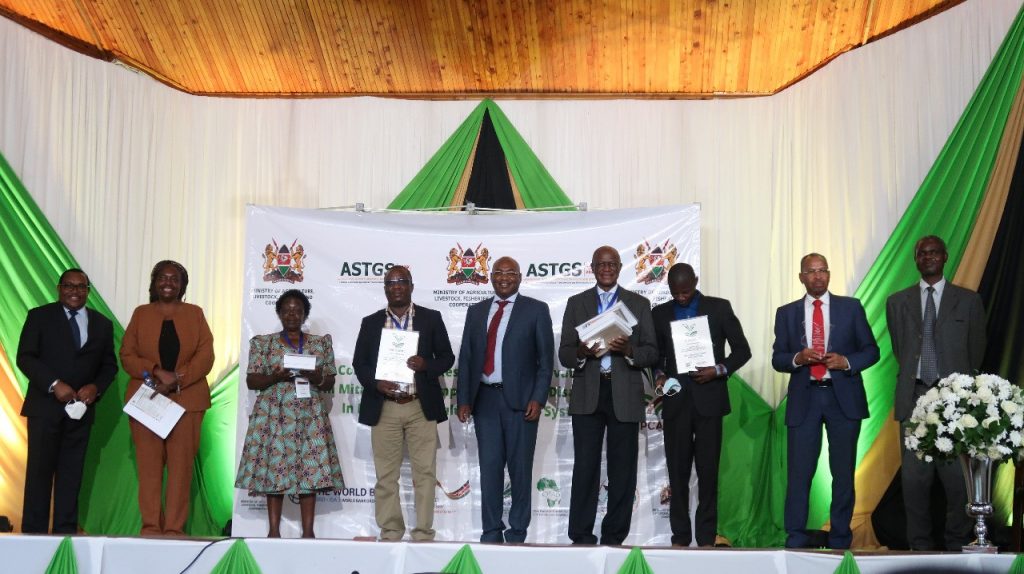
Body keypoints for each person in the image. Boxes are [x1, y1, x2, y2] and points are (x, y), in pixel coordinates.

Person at [772, 253, 879, 549]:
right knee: (799, 473)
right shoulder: (787, 313)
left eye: (823, 271)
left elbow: (871, 350)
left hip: (842, 398)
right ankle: (794, 538)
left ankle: (841, 538)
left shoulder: (851, 308)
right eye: (811, 271)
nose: (818, 276)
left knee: (843, 473)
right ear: (801, 277)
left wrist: (845, 361)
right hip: (805, 398)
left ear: (829, 275)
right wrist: (798, 357)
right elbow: (778, 358)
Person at [886, 235, 986, 550]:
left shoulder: (968, 301)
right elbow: (900, 350)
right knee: (915, 482)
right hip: (914, 399)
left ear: (945, 257)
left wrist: (955, 388)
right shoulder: (897, 302)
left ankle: (956, 543)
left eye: (934, 252)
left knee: (958, 482)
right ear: (916, 259)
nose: (928, 257)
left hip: (953, 402)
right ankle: (919, 548)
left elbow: (976, 351)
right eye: (922, 253)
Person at [557, 245, 658, 545]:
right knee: (585, 467)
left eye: (612, 264)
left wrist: (629, 351)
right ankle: (581, 535)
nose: (606, 268)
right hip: (589, 392)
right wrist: (580, 352)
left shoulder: (638, 304)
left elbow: (652, 352)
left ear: (619, 267)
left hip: (624, 393)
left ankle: (614, 536)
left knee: (622, 469)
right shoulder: (577, 303)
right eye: (601, 264)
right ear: (592, 267)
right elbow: (564, 353)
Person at [651, 263, 751, 547]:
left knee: (708, 474)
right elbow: (656, 356)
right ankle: (680, 537)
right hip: (676, 401)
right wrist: (659, 376)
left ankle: (706, 537)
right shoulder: (660, 313)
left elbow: (743, 350)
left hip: (710, 401)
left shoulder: (719, 308)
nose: (681, 297)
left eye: (685, 291)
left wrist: (718, 369)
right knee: (677, 473)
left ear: (695, 281)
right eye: (675, 292)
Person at [353, 265, 455, 541]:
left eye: (401, 281)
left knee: (424, 473)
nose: (396, 286)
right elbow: (359, 363)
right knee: (386, 476)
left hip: (420, 405)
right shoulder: (371, 322)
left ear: (411, 286)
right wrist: (375, 383)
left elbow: (447, 358)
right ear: (385, 288)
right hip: (384, 406)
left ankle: (423, 533)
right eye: (390, 282)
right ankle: (391, 531)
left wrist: (427, 364)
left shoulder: (431, 318)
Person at [456, 256, 554, 543]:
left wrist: (538, 397)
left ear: (520, 277)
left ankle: (517, 531)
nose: (503, 277)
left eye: (510, 273)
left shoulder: (536, 310)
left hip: (522, 403)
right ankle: (490, 531)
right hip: (484, 400)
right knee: (489, 470)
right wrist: (464, 399)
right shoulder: (476, 312)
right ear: (490, 277)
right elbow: (467, 358)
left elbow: (546, 362)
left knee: (520, 470)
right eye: (498, 272)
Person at [235, 289, 344, 538]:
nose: (292, 314)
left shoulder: (319, 343)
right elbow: (252, 381)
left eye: (297, 310)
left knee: (310, 471)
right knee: (275, 470)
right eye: (286, 310)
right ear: (279, 313)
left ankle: (308, 533)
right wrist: (275, 376)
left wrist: (316, 376)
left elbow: (328, 383)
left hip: (310, 415)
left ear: (305, 314)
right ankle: (273, 532)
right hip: (274, 415)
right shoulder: (264, 343)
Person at [17, 268, 117, 534]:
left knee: (71, 478)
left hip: (81, 413)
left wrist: (95, 387)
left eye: (81, 287)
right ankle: (34, 539)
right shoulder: (39, 316)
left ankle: (65, 537)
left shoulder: (102, 324)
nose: (75, 291)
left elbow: (109, 366)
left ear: (88, 290)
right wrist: (54, 384)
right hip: (44, 410)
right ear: (59, 288)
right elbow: (25, 357)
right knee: (39, 477)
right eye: (69, 286)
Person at [120, 260, 214, 536]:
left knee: (180, 469)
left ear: (182, 285)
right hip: (148, 399)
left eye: (174, 279)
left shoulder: (195, 314)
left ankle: (174, 528)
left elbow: (206, 355)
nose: (168, 283)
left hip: (188, 401)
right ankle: (150, 526)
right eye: (162, 278)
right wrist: (158, 372)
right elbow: (127, 355)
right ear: (154, 282)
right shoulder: (141, 314)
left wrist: (178, 379)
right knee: (149, 468)